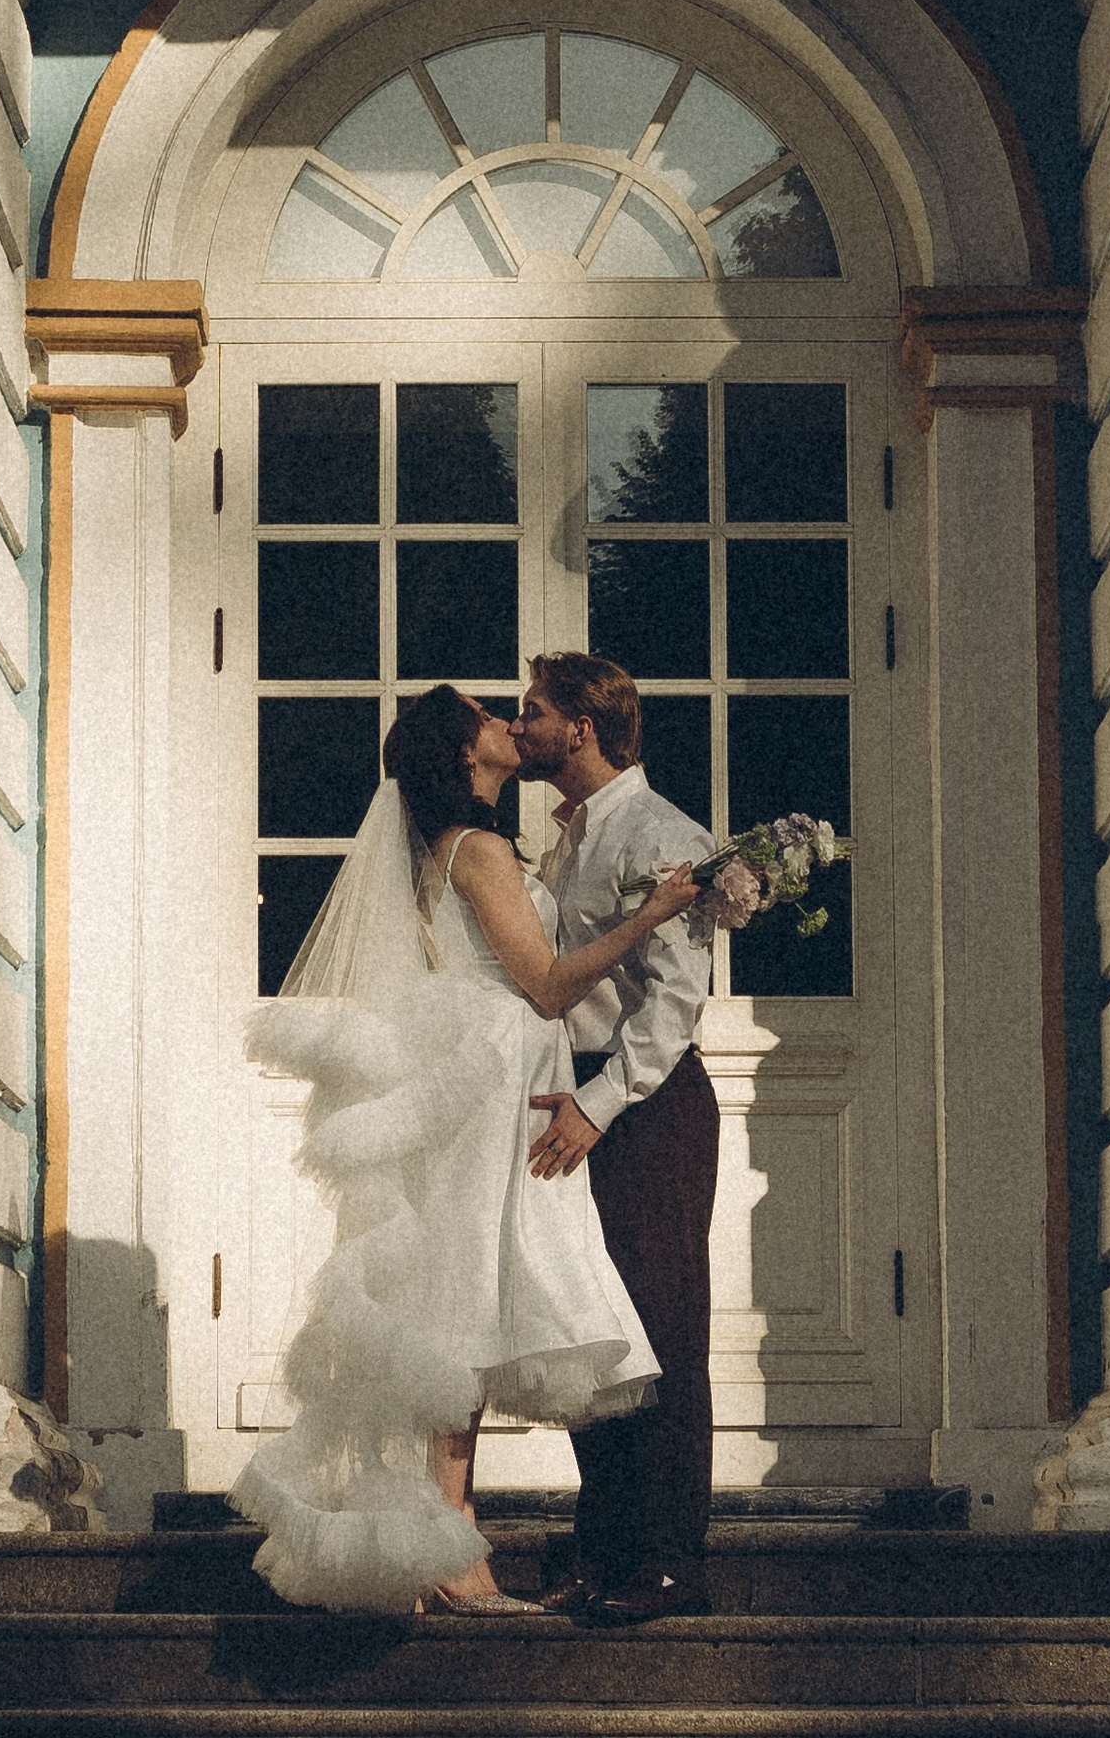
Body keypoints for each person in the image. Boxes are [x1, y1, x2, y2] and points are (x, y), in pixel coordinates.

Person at [236, 683, 698, 1615]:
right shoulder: (478, 849)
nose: (508, 725)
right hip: (497, 1080)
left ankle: (453, 1537)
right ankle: (452, 1544)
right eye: (492, 717)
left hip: (496, 1077)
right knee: (465, 1311)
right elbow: (544, 984)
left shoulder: (461, 846)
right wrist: (654, 915)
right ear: (465, 755)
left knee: (469, 1306)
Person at [517, 651, 719, 1624]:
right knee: (593, 1336)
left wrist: (599, 1105)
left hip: (647, 1109)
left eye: (533, 712)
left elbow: (676, 999)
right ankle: (602, 1555)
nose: (520, 728)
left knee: (662, 1332)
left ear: (580, 729)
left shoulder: (660, 832)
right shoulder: (562, 838)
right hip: (577, 1111)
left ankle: (670, 1560)